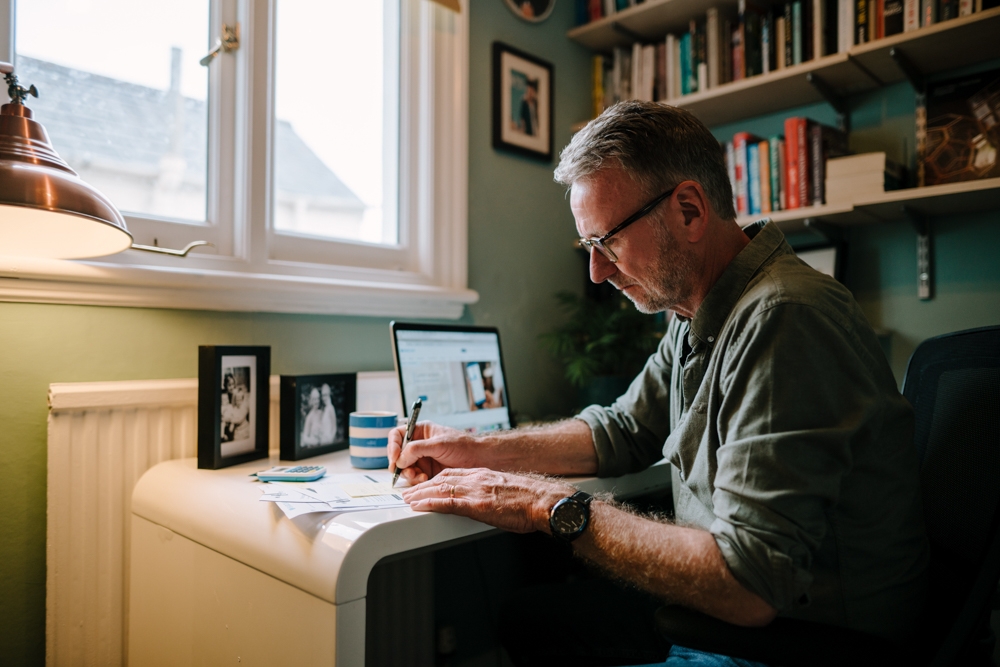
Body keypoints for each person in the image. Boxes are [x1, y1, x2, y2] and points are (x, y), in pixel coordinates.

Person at [389, 101, 928, 666]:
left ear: (690, 211)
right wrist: (472, 450)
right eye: (588, 247)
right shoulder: (698, 312)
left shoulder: (785, 317)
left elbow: (750, 581)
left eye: (608, 242)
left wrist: (542, 504)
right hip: (729, 620)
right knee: (529, 619)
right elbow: (621, 431)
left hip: (795, 644)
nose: (597, 272)